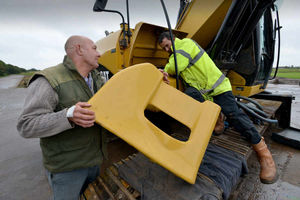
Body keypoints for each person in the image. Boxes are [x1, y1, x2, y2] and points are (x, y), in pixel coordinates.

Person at [158, 31, 277, 184]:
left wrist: (163, 70)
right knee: (189, 94)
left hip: (219, 88)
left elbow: (175, 66)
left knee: (234, 114)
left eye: (167, 46)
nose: (167, 50)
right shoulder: (176, 54)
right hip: (206, 94)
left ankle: (264, 154)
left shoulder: (184, 45)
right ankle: (217, 118)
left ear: (174, 39)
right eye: (164, 49)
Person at [17, 35, 106, 199]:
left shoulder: (96, 78)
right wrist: (67, 116)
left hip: (94, 161)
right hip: (67, 170)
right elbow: (26, 125)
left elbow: (121, 95)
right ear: (79, 49)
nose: (99, 53)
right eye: (94, 48)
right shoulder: (48, 79)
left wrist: (147, 79)